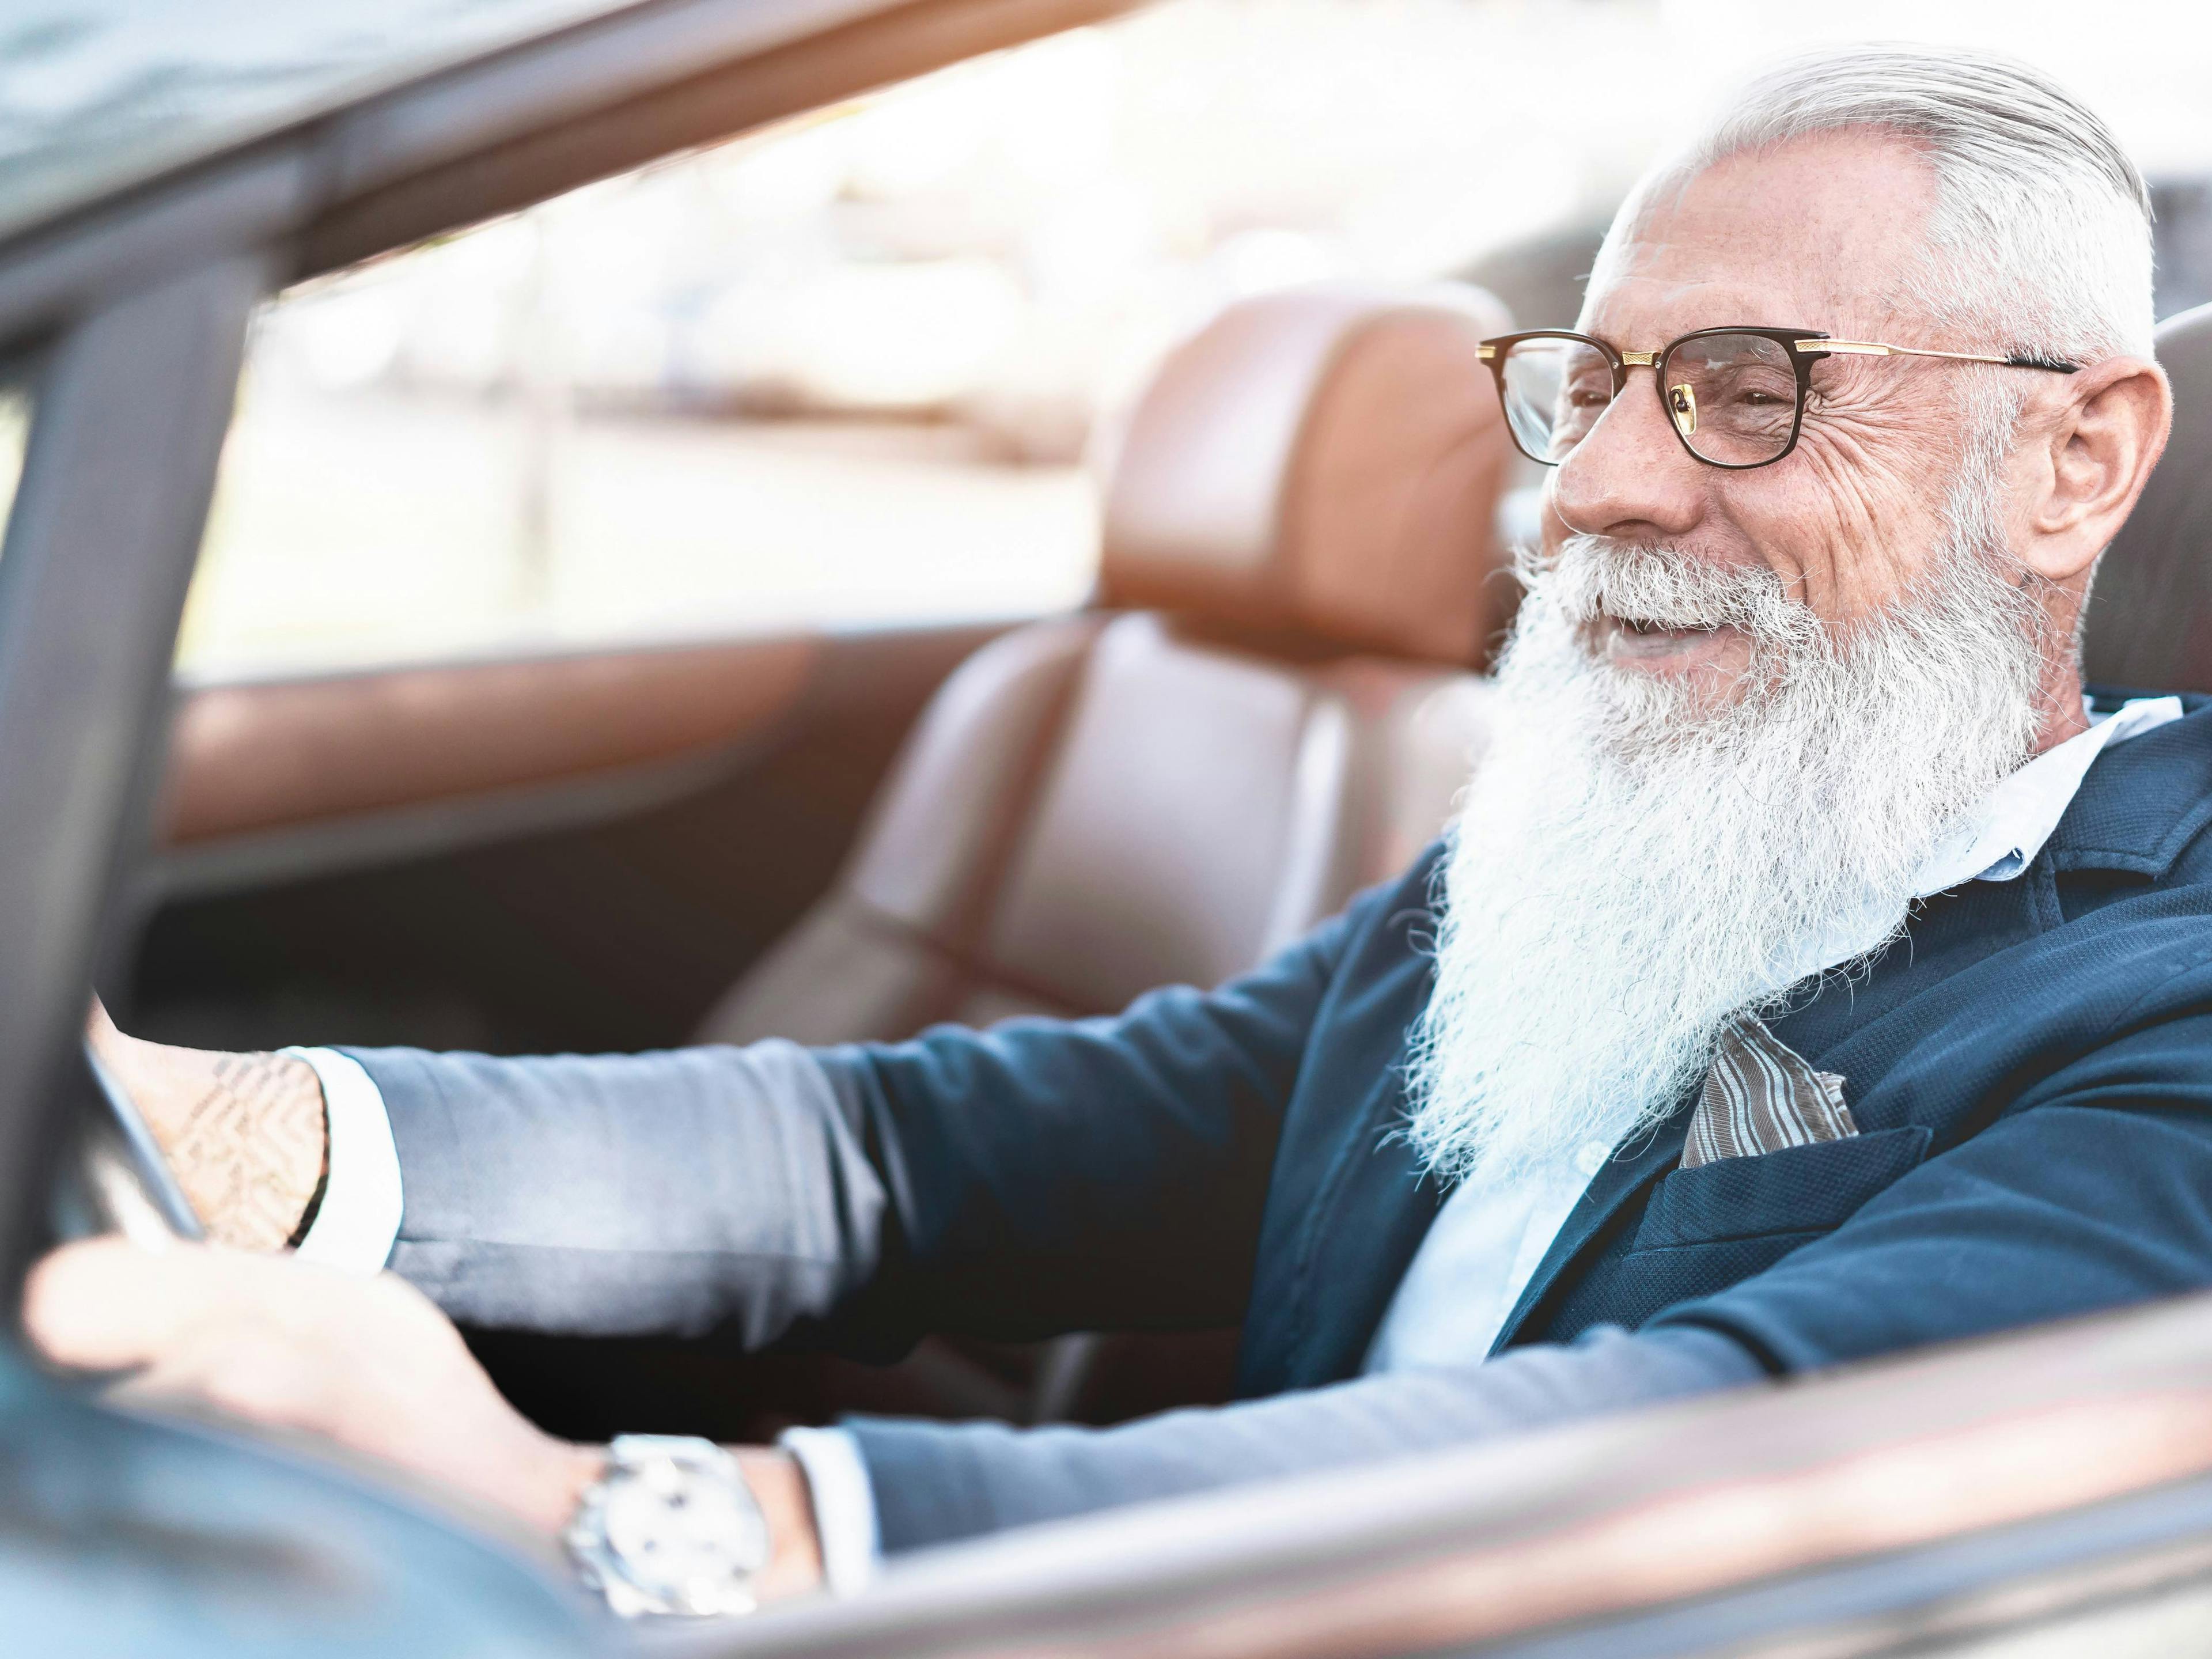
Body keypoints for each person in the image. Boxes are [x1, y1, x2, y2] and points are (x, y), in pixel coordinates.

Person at [28, 44, 2212, 1616]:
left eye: (1753, 391)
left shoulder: (2167, 1004)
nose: (1598, 493)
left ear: (2074, 463)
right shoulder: (1607, 869)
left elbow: (1694, 1452)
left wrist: (631, 1518)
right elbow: (938, 1158)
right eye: (1588, 388)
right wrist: (255, 1137)